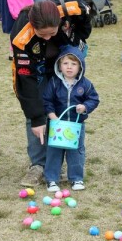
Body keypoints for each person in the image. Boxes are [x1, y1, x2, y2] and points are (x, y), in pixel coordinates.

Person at [11, 0, 91, 187]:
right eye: (42, 34)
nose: (47, 37)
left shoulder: (71, 10)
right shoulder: (21, 36)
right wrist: (37, 118)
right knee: (37, 113)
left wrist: (77, 40)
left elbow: (85, 17)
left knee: (64, 107)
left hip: (60, 62)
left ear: (60, 23)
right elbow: (26, 82)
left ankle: (59, 161)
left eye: (52, 33)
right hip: (34, 71)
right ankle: (38, 164)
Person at [43, 47, 100, 192]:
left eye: (74, 64)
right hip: (56, 124)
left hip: (76, 125)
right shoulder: (54, 83)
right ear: (59, 66)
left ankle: (76, 178)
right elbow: (47, 101)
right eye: (66, 63)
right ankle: (51, 179)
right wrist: (52, 116)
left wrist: (85, 106)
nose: (69, 67)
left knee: (76, 152)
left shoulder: (85, 84)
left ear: (80, 66)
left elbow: (94, 99)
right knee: (54, 151)